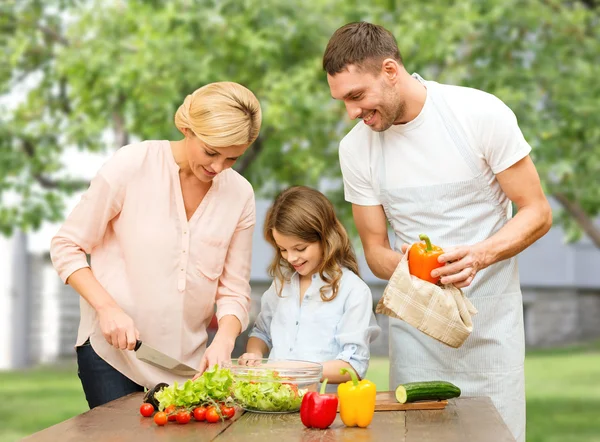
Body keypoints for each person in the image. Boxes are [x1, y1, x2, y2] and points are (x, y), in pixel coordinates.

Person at [322, 22, 552, 441]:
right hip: (417, 339)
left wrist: (479, 255)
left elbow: (536, 211)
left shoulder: (479, 113)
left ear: (390, 70)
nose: (352, 112)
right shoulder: (355, 149)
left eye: (357, 96)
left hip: (491, 331)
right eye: (342, 101)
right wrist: (415, 266)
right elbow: (375, 250)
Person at [50, 82, 262, 408]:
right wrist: (107, 309)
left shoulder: (240, 195)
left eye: (232, 158)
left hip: (186, 366)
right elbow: (66, 245)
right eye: (210, 152)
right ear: (185, 128)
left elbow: (234, 291)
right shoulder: (132, 164)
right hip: (113, 355)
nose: (217, 168)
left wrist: (223, 341)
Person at [239, 186, 381, 386]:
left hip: (322, 409)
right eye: (283, 250)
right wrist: (254, 353)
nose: (291, 258)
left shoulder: (353, 291)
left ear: (325, 237)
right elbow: (262, 332)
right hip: (273, 401)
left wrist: (292, 371)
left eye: (300, 248)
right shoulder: (282, 283)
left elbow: (353, 367)